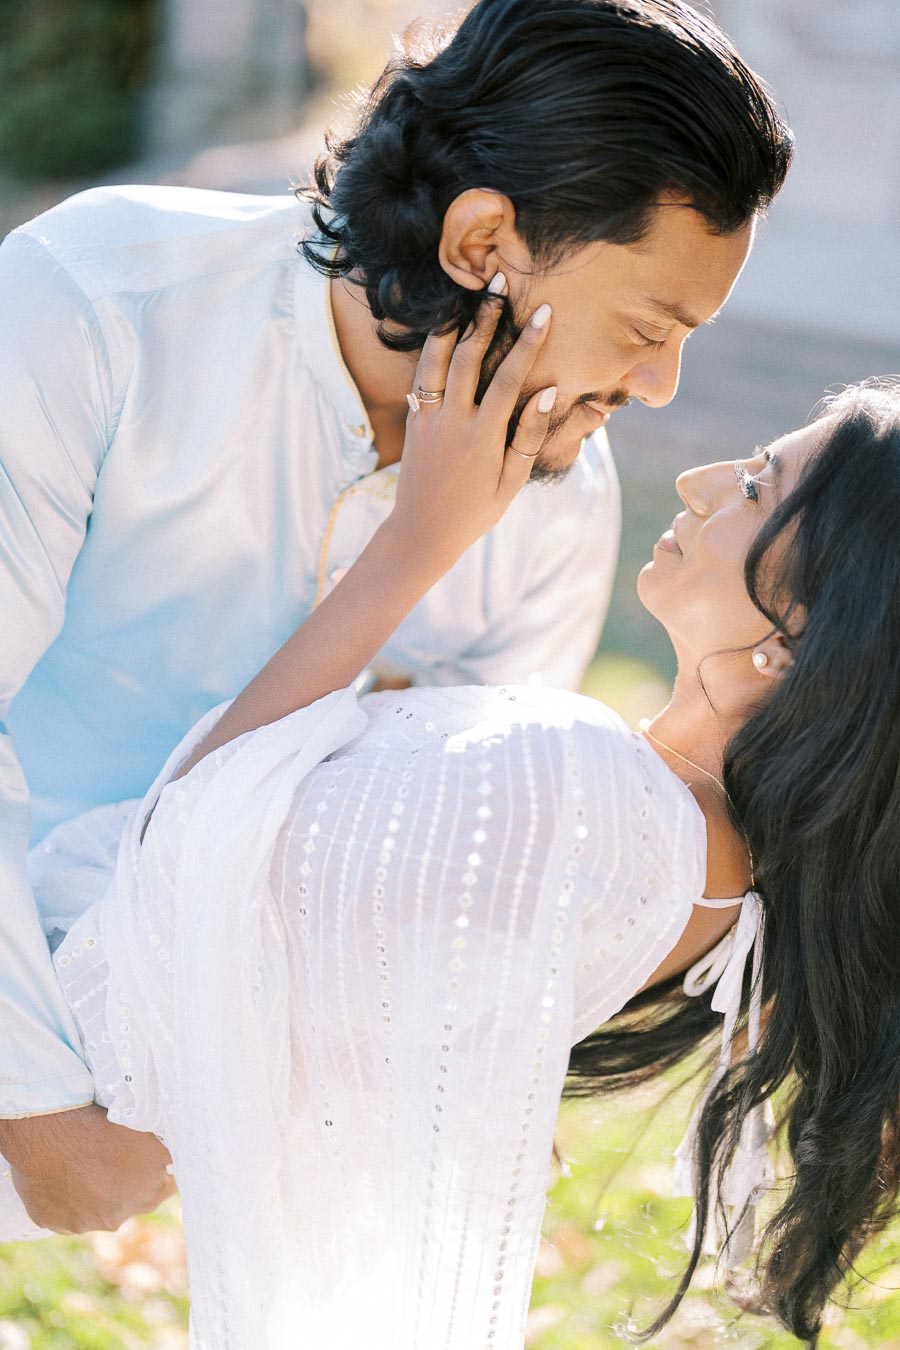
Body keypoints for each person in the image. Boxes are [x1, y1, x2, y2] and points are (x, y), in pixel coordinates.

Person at [0, 0, 793, 1237]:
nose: (658, 388)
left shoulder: (557, 497)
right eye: (648, 329)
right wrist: (38, 1106)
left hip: (153, 1083)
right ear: (483, 240)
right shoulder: (98, 303)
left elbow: (432, 903)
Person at [1, 282, 896, 1350]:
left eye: (756, 486)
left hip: (45, 1030)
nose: (701, 482)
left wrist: (420, 539)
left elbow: (192, 830)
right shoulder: (693, 868)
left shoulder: (589, 797)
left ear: (811, 626)